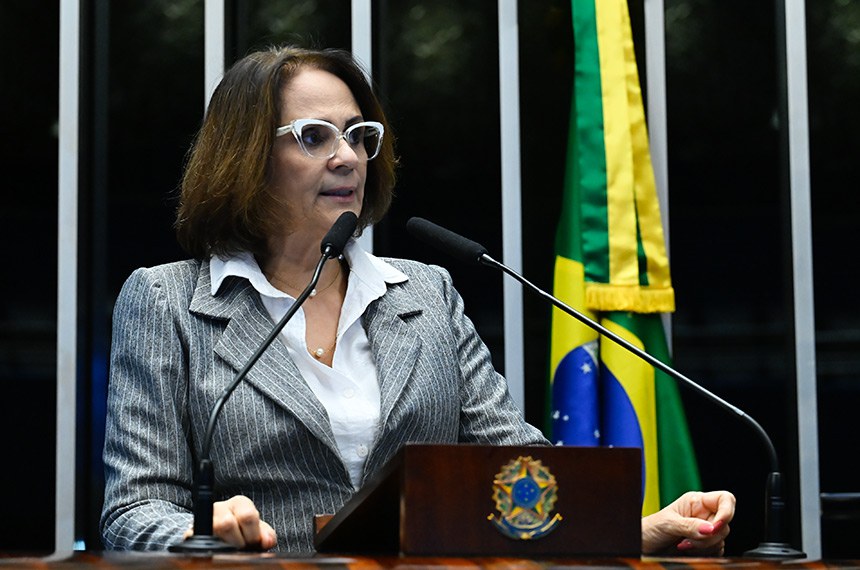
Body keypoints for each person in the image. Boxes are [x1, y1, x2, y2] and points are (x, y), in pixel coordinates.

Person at [100, 44, 734, 556]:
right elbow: (132, 511)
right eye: (315, 136)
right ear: (247, 157)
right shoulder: (166, 303)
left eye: (358, 135)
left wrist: (641, 530)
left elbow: (521, 472)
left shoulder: (425, 294)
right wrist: (195, 531)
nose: (348, 157)